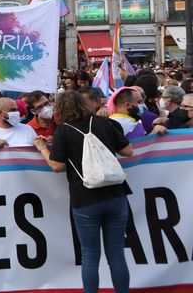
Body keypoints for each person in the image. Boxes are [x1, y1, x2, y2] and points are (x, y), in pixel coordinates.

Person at [34, 90, 133, 293]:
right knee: (116, 254)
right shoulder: (105, 123)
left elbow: (56, 165)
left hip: (85, 198)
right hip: (116, 194)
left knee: (89, 256)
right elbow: (127, 151)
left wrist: (42, 148)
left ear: (60, 109)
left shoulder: (63, 130)